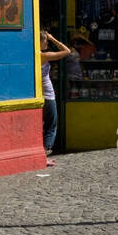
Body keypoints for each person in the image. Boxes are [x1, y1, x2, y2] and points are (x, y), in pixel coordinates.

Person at [39, 30, 71, 167]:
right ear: (40, 41)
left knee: (43, 126)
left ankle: (41, 155)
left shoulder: (34, 55)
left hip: (40, 95)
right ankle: (44, 156)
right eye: (45, 40)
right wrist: (53, 39)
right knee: (51, 125)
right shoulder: (44, 56)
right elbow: (67, 51)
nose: (47, 42)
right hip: (48, 95)